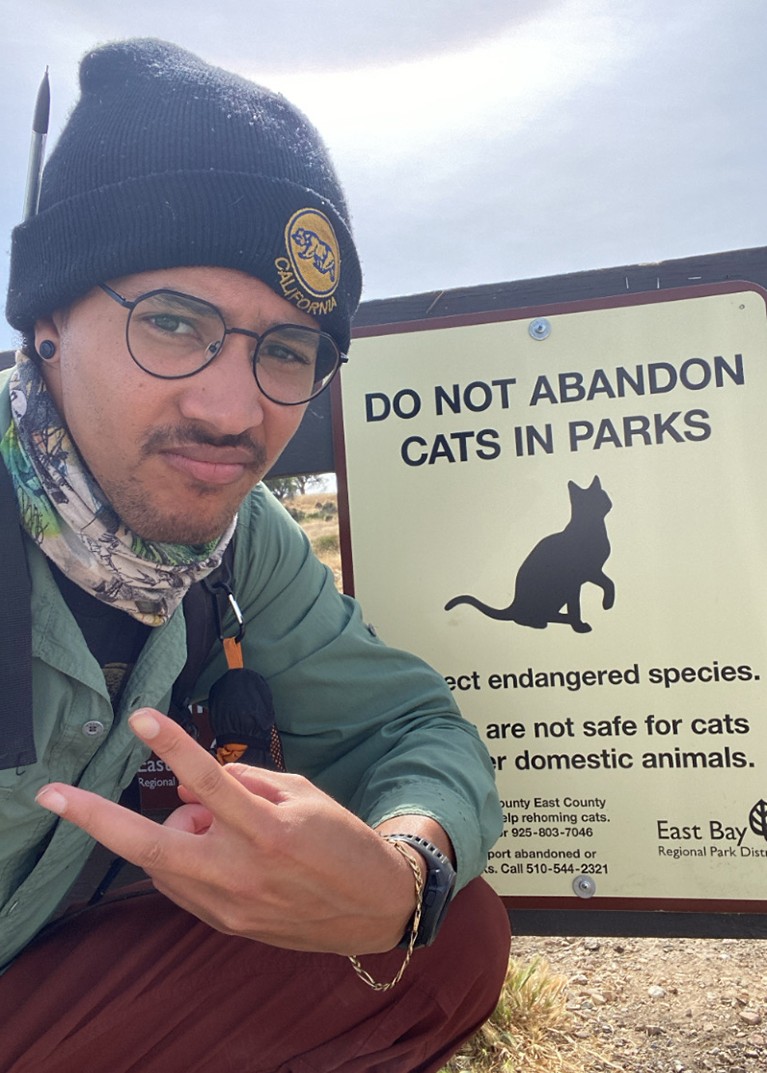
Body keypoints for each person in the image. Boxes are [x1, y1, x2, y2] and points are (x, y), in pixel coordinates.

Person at [0, 38, 510, 1073]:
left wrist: (403, 870)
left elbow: (408, 723)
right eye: (174, 323)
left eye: (284, 349)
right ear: (49, 317)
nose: (234, 411)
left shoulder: (237, 539)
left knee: (447, 936)